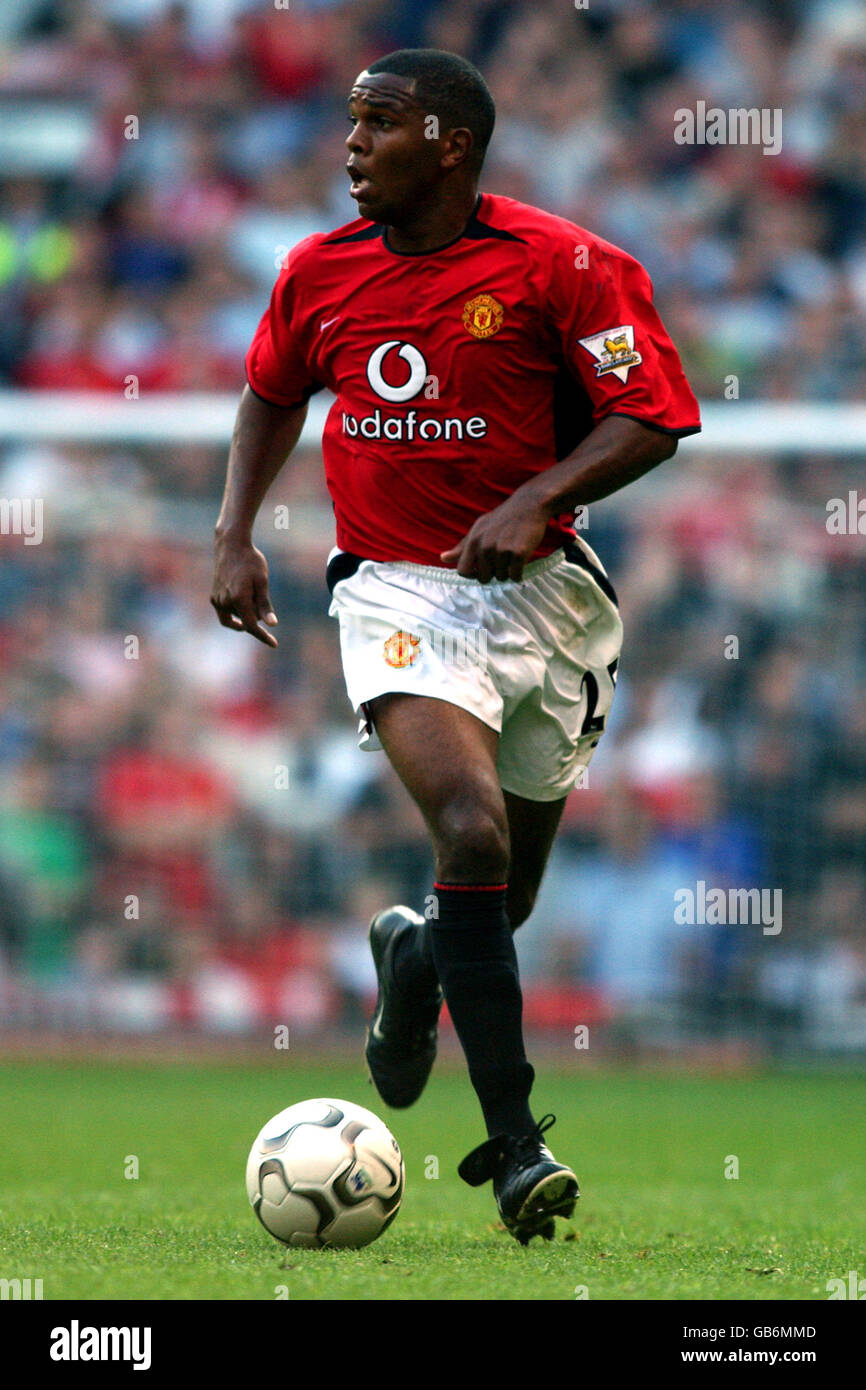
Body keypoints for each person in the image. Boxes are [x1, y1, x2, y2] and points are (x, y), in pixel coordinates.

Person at [211, 48, 701, 1243]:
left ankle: (415, 957)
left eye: (375, 123)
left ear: (447, 142)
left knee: (503, 891)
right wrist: (232, 534)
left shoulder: (562, 264)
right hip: (392, 593)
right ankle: (516, 1147)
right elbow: (272, 390)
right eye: (347, 122)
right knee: (468, 830)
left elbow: (655, 414)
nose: (348, 144)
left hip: (546, 604)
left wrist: (537, 495)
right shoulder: (315, 273)